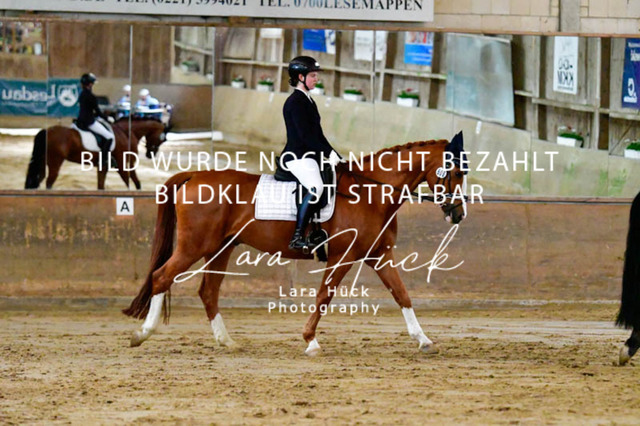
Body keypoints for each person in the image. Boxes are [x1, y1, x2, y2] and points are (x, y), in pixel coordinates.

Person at [279, 56, 344, 251]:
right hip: (297, 156)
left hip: (310, 156)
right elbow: (306, 136)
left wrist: (334, 153)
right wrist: (328, 153)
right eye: (313, 75)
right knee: (316, 187)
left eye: (316, 75)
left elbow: (318, 134)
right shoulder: (295, 102)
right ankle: (297, 236)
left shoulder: (308, 100)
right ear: (301, 77)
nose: (316, 79)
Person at [77, 72, 114, 169]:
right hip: (89, 122)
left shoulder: (81, 94)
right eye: (92, 83)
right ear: (90, 84)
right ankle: (103, 160)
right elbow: (97, 111)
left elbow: (86, 109)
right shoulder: (91, 96)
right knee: (109, 137)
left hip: (80, 120)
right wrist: (107, 118)